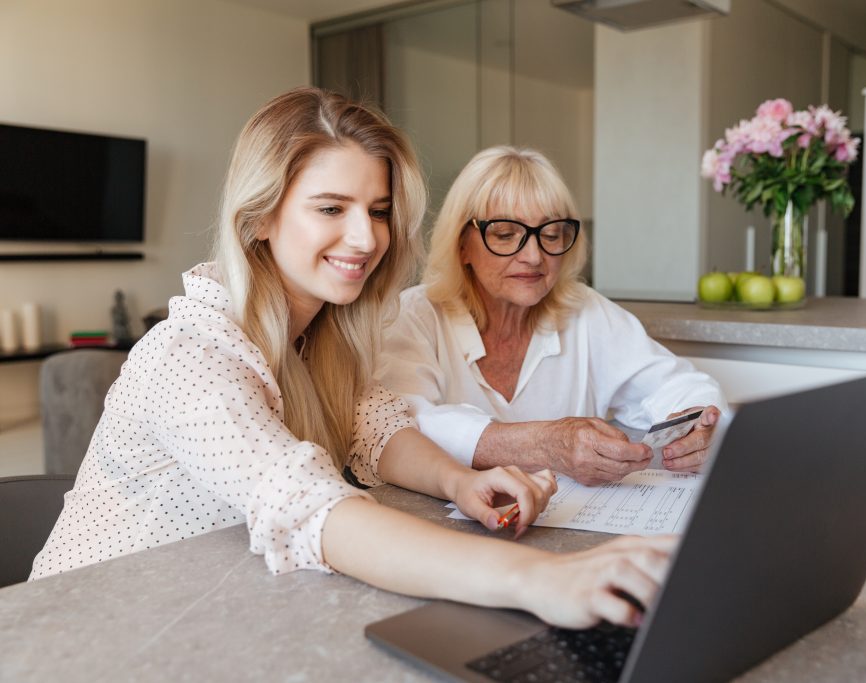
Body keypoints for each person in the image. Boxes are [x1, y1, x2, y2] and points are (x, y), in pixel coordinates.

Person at [29, 88, 674, 629]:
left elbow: (378, 429)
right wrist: (544, 578)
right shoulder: (190, 357)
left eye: (379, 211)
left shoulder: (321, 340)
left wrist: (461, 483)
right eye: (331, 209)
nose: (365, 238)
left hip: (209, 610)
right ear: (260, 218)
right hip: (90, 633)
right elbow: (318, 513)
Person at [378, 146, 728, 486]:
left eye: (550, 234)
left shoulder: (586, 311)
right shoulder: (415, 316)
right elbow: (403, 423)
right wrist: (543, 444)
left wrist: (698, 428)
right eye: (505, 234)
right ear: (462, 245)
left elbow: (680, 385)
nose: (533, 256)